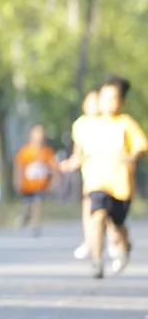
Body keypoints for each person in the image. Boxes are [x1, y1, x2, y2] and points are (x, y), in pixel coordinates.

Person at [61, 76, 146, 278]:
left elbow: (141, 145)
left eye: (113, 98)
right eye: (104, 97)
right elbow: (79, 153)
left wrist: (132, 156)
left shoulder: (125, 123)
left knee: (117, 226)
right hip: (96, 181)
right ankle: (97, 261)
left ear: (121, 102)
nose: (107, 102)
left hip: (120, 184)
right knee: (97, 215)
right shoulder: (87, 125)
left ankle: (125, 243)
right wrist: (71, 163)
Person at [68, 89, 101, 260]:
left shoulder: (109, 122)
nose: (94, 106)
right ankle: (89, 240)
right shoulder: (80, 125)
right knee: (89, 208)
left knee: (107, 214)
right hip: (91, 174)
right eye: (91, 102)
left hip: (112, 174)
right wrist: (72, 162)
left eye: (98, 101)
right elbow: (77, 151)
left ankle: (116, 241)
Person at [13, 123, 57, 236]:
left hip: (41, 185)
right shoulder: (25, 151)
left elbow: (53, 168)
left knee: (38, 202)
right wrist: (17, 181)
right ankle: (25, 217)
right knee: (28, 205)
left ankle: (36, 224)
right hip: (28, 185)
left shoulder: (47, 152)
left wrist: (54, 182)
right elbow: (19, 167)